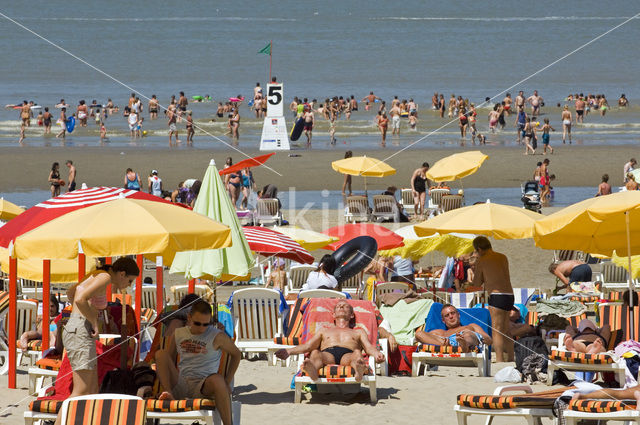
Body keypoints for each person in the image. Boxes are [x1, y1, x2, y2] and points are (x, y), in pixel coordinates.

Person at [54, 257, 139, 425]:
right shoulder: (105, 277)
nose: (129, 285)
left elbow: (72, 293)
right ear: (121, 274)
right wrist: (92, 319)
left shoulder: (98, 275)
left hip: (78, 329)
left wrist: (80, 314)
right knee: (81, 391)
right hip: (80, 330)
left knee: (92, 390)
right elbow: (79, 299)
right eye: (129, 281)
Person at [155, 300, 241, 425]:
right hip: (181, 383)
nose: (202, 328)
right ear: (189, 317)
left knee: (217, 379)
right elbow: (170, 359)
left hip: (203, 386)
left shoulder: (217, 336)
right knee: (161, 354)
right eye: (197, 323)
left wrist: (227, 381)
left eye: (206, 324)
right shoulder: (179, 333)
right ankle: (168, 392)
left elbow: (237, 354)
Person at [275, 300, 385, 382]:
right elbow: (308, 346)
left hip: (348, 355)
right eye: (338, 306)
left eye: (345, 306)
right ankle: (313, 370)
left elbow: (368, 347)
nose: (341, 306)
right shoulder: (324, 330)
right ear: (333, 315)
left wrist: (377, 354)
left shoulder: (358, 332)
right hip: (327, 354)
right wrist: (288, 352)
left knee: (357, 353)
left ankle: (358, 371)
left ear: (351, 315)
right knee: (315, 353)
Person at [472, 236, 514, 362]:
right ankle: (511, 358)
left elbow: (477, 282)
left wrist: (476, 265)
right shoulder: (503, 257)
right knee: (506, 330)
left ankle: (500, 360)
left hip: (497, 295)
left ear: (479, 249)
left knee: (496, 330)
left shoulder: (482, 260)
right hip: (510, 295)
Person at [414, 304, 492, 353]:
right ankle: (450, 345)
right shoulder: (441, 333)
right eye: (447, 315)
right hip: (446, 342)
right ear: (443, 321)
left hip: (467, 339)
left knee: (467, 334)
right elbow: (419, 336)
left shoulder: (471, 326)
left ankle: (464, 343)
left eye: (453, 313)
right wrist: (444, 342)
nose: (451, 316)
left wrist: (472, 336)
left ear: (458, 315)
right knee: (419, 333)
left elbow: (489, 340)